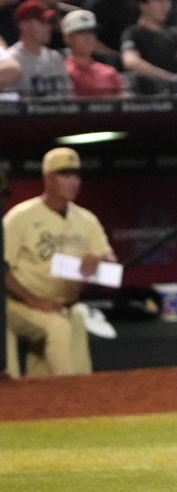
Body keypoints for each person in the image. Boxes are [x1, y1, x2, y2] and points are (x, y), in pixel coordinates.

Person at [4, 147, 117, 377]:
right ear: (47, 178)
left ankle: (70, 400)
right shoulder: (20, 217)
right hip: (17, 305)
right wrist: (34, 301)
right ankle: (68, 390)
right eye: (64, 175)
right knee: (58, 325)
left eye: (76, 175)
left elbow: (111, 266)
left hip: (63, 304)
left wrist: (101, 261)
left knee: (71, 318)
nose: (73, 181)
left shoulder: (87, 220)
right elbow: (2, 269)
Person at [8, 0, 72, 97]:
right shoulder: (11, 60)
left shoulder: (55, 57)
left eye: (49, 22)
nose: (48, 27)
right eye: (42, 22)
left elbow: (69, 97)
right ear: (23, 24)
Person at [61, 8, 125, 97]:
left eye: (91, 32)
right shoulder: (62, 74)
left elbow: (123, 106)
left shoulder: (109, 72)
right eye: (81, 33)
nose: (88, 38)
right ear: (68, 38)